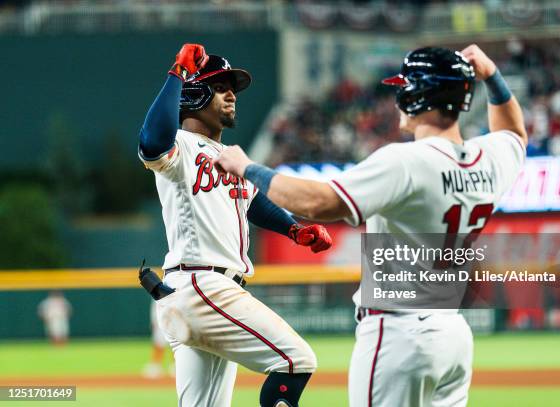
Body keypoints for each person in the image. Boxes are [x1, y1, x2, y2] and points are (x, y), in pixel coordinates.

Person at [214, 44, 528, 406]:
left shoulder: (406, 161)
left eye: (402, 89)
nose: (397, 99)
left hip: (398, 334)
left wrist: (248, 168)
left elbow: (318, 202)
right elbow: (515, 134)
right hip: (453, 335)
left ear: (418, 95)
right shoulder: (490, 159)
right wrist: (491, 75)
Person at [138, 43, 332, 407]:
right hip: (202, 285)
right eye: (221, 86)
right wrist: (177, 73)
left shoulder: (228, 157)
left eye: (234, 88)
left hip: (198, 292)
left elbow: (254, 201)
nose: (232, 95)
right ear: (196, 94)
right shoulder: (179, 146)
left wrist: (293, 229)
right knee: (296, 360)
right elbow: (151, 143)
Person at [142, 299, 174, 378]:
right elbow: (154, 309)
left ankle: (175, 365)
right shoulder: (157, 293)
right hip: (161, 322)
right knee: (159, 343)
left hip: (171, 321)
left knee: (174, 343)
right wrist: (154, 322)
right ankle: (156, 365)